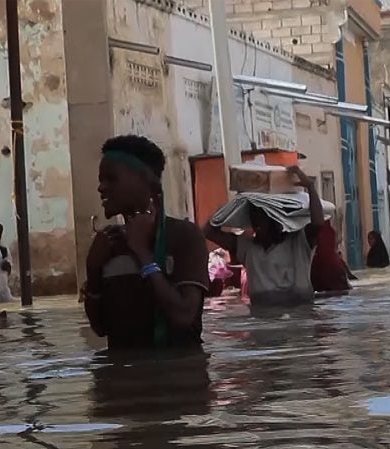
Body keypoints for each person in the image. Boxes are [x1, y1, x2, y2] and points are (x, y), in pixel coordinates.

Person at [83, 135, 209, 350]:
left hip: (179, 376)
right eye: (101, 180)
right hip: (123, 378)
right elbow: (100, 328)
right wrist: (92, 270)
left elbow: (183, 315)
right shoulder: (110, 244)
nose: (101, 188)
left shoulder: (184, 236)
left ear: (147, 183)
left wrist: (142, 253)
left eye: (111, 179)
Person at [206, 165, 341, 305]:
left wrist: (310, 187)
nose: (257, 224)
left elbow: (318, 223)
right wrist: (233, 204)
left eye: (262, 218)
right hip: (263, 316)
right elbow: (209, 232)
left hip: (299, 314)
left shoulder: (298, 242)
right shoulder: (247, 247)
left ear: (276, 220)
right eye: (254, 218)